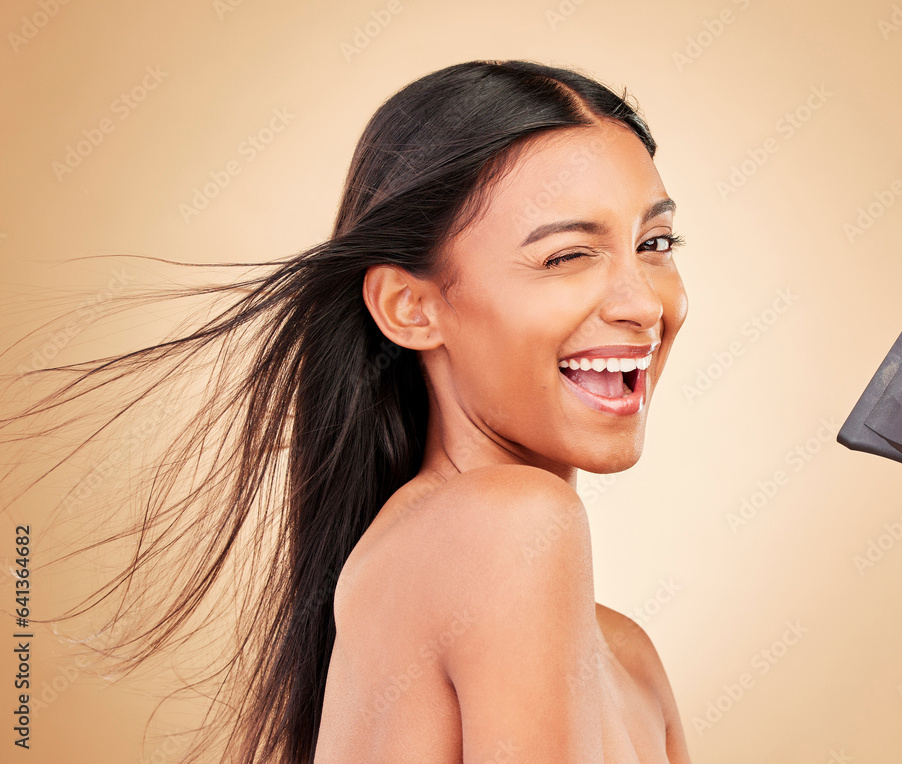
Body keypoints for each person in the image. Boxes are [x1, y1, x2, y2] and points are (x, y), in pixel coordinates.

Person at [6, 60, 691, 763]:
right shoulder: (512, 523)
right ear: (411, 307)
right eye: (568, 255)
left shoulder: (628, 658)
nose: (642, 305)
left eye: (654, 245)